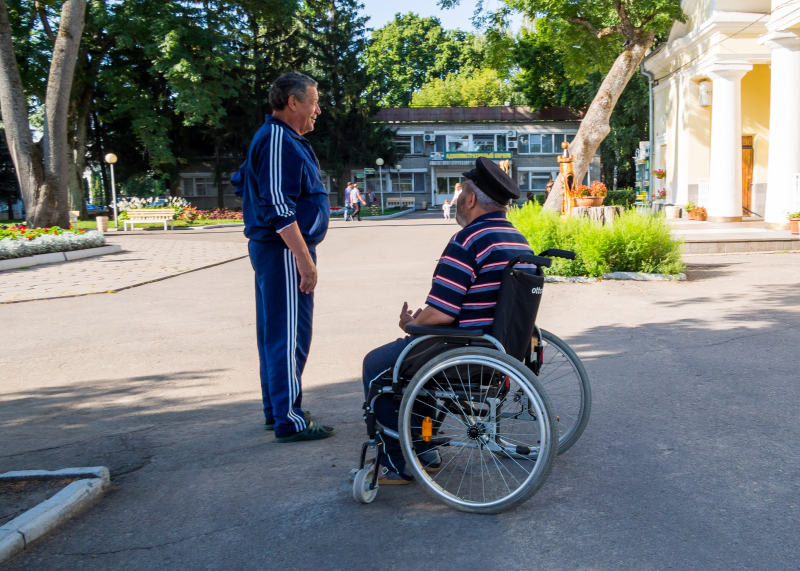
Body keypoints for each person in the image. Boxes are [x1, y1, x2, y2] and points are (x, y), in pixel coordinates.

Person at [360, 157, 537, 483]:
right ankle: (423, 445)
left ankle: (396, 462)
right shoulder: (517, 239)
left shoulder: (468, 240)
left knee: (378, 367)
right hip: (500, 352)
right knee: (420, 369)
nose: (456, 198)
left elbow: (441, 313)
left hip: (463, 350)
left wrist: (412, 325)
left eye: (459, 192)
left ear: (470, 199)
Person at [233, 72, 335, 443]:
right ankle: (289, 420)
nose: (318, 110)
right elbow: (279, 207)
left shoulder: (283, 139)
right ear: (293, 102)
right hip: (283, 252)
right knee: (288, 336)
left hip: (279, 250)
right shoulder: (277, 140)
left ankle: (278, 409)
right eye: (313, 102)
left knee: (279, 334)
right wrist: (304, 260)